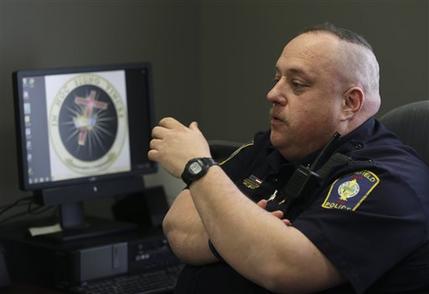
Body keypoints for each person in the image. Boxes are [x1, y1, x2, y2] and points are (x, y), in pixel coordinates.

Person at [148, 23, 429, 293]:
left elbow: (283, 268)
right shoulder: (272, 147)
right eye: (277, 78)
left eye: (297, 84)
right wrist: (245, 236)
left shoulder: (389, 182)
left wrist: (199, 168)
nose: (272, 94)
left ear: (349, 103)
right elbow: (177, 225)